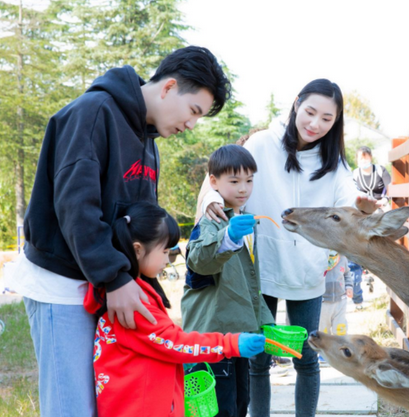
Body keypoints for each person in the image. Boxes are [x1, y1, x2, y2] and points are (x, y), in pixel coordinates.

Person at [7, 45, 231, 416]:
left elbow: (139, 224)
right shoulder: (92, 113)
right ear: (169, 87)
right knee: (71, 408)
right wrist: (114, 277)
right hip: (63, 283)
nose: (192, 125)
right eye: (194, 111)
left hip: (106, 289)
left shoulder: (148, 141)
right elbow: (75, 207)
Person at [197, 79, 380, 417]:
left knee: (307, 356)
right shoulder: (262, 143)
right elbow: (221, 177)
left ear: (335, 122)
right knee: (258, 357)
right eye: (310, 112)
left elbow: (347, 199)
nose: (315, 124)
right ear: (296, 104)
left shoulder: (334, 163)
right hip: (261, 268)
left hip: (307, 270)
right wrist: (210, 198)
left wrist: (362, 205)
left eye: (327, 118)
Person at [84, 201, 265, 417]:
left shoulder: (130, 294)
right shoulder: (133, 305)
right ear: (138, 250)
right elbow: (175, 343)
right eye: (165, 251)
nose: (168, 260)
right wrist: (231, 344)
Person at [180, 145, 275, 417]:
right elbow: (199, 260)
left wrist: (265, 322)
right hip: (212, 337)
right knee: (220, 409)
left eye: (249, 180)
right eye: (234, 181)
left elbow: (249, 284)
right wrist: (227, 238)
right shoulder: (211, 220)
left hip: (238, 336)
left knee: (239, 404)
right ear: (213, 182)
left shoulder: (238, 219)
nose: (243, 188)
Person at [350, 146, 391, 309]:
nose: (364, 161)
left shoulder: (380, 170)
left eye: (366, 158)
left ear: (371, 157)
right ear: (357, 160)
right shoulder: (355, 174)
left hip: (380, 209)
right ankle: (357, 293)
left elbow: (391, 188)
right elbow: (352, 194)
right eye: (361, 158)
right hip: (362, 213)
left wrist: (385, 200)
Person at [318, 252, 353, 336]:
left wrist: (349, 286)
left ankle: (341, 346)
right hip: (323, 302)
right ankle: (325, 348)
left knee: (340, 329)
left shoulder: (342, 257)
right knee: (323, 331)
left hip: (340, 300)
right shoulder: (319, 258)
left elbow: (347, 273)